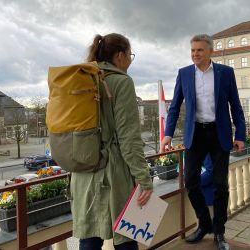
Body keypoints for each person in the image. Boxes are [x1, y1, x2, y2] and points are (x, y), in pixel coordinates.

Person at [161, 34, 245, 250]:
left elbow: (235, 105)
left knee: (220, 185)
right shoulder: (184, 74)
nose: (195, 54)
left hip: (219, 134)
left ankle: (219, 232)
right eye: (192, 50)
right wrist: (168, 134)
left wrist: (240, 135)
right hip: (195, 134)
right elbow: (175, 106)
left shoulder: (226, 73)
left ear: (210, 51)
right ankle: (204, 223)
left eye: (199, 50)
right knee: (190, 181)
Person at [71, 33, 153, 250]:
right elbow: (129, 138)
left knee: (89, 237)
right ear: (119, 56)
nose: (130, 61)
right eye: (130, 55)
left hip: (82, 172)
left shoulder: (83, 78)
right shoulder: (122, 82)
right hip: (112, 173)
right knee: (127, 235)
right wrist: (144, 179)